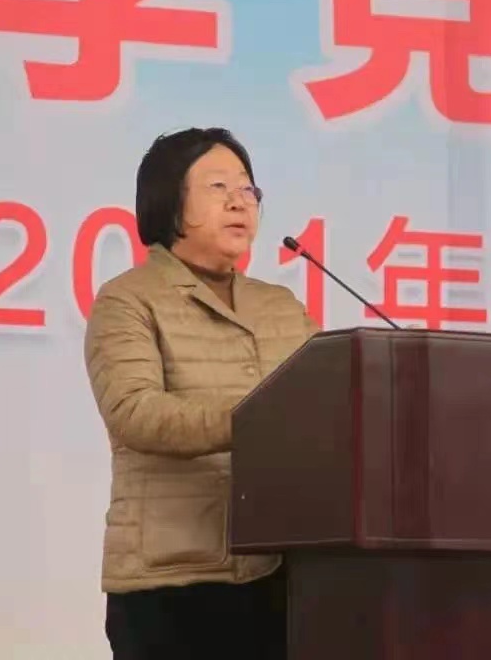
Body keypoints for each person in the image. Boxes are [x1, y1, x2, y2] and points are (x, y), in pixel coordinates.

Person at [83, 127, 318, 659]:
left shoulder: (280, 306)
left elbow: (326, 401)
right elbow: (134, 412)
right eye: (218, 187)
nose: (240, 201)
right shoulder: (128, 300)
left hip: (280, 572)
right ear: (170, 201)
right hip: (171, 583)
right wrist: (256, 421)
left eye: (248, 188)